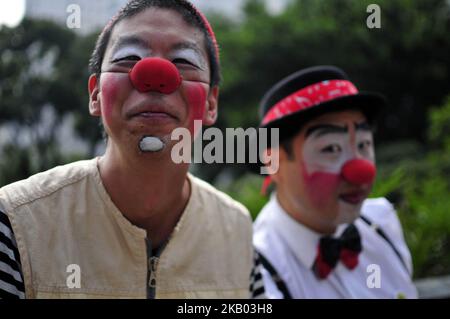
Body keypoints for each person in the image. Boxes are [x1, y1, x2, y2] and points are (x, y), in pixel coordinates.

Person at [0, 0, 265, 299]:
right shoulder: (15, 224)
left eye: (184, 62)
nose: (155, 77)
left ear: (211, 103)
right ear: (96, 94)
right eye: (129, 57)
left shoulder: (237, 231)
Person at [251, 66, 418, 298]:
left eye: (363, 145)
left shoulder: (381, 222)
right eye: (331, 149)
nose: (360, 171)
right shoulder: (257, 272)